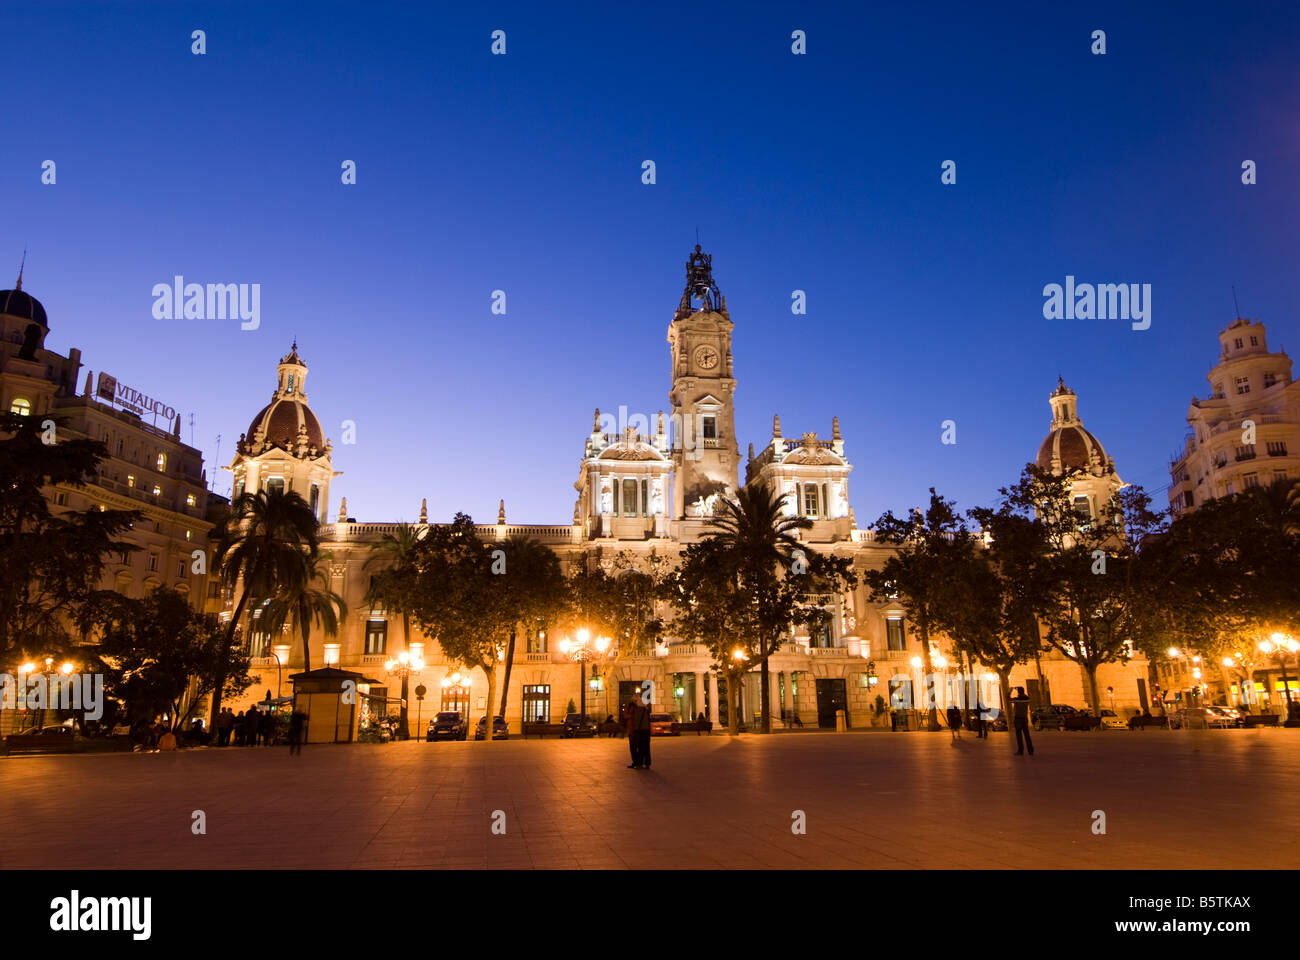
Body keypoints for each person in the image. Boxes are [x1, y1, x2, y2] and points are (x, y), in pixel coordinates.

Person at [631, 691, 652, 769]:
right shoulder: (646, 710)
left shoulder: (638, 710)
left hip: (640, 731)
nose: (635, 702)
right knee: (647, 748)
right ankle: (647, 763)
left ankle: (639, 763)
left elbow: (637, 721)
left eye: (635, 701)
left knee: (640, 747)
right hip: (646, 731)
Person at [1010, 686, 1034, 756]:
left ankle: (1021, 750)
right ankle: (1030, 750)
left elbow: (1008, 699)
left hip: (1018, 718)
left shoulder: (1017, 699)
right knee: (1027, 735)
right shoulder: (1027, 698)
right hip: (1025, 718)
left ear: (1018, 692)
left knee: (1019, 736)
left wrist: (1010, 690)